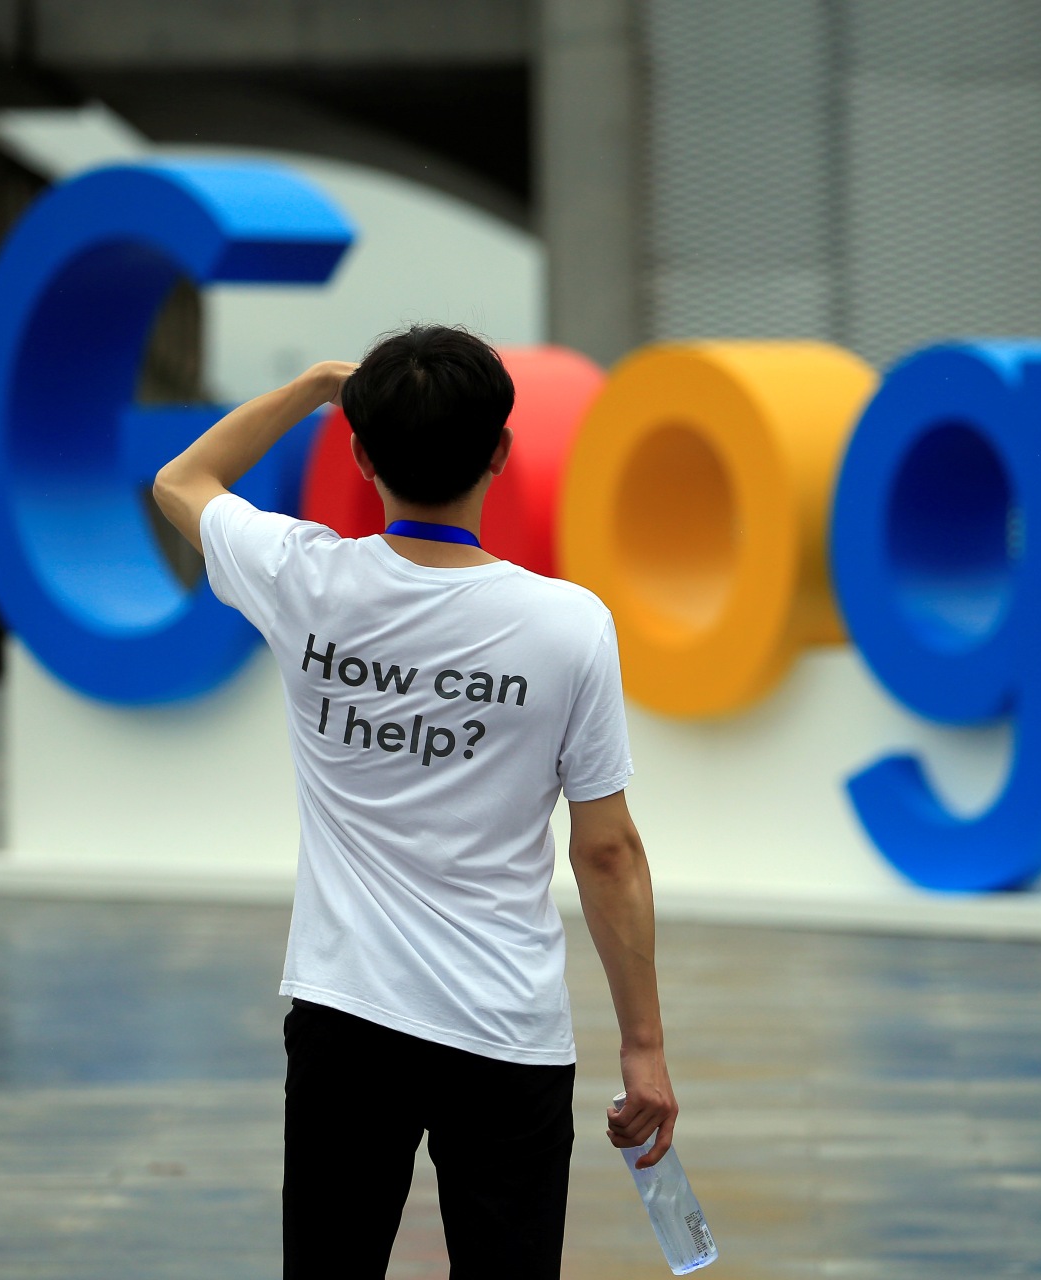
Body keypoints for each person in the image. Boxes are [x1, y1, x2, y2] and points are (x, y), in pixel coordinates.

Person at [151, 325, 678, 1279]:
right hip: (504, 1026)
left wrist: (316, 382)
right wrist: (641, 1045)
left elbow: (182, 482)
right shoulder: (568, 626)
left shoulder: (304, 578)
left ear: (358, 455)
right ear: (501, 453)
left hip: (345, 1016)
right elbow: (607, 854)